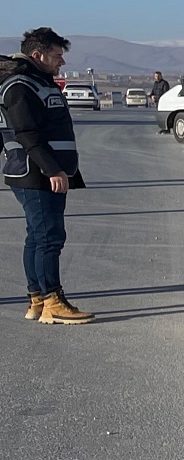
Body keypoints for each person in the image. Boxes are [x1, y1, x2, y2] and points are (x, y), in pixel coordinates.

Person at [1, 28, 92, 325]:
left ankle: (37, 300)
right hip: (36, 173)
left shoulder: (38, 82)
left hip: (42, 171)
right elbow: (26, 133)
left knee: (37, 237)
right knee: (50, 237)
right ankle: (52, 300)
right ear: (37, 55)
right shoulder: (20, 86)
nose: (61, 62)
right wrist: (52, 169)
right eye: (56, 56)